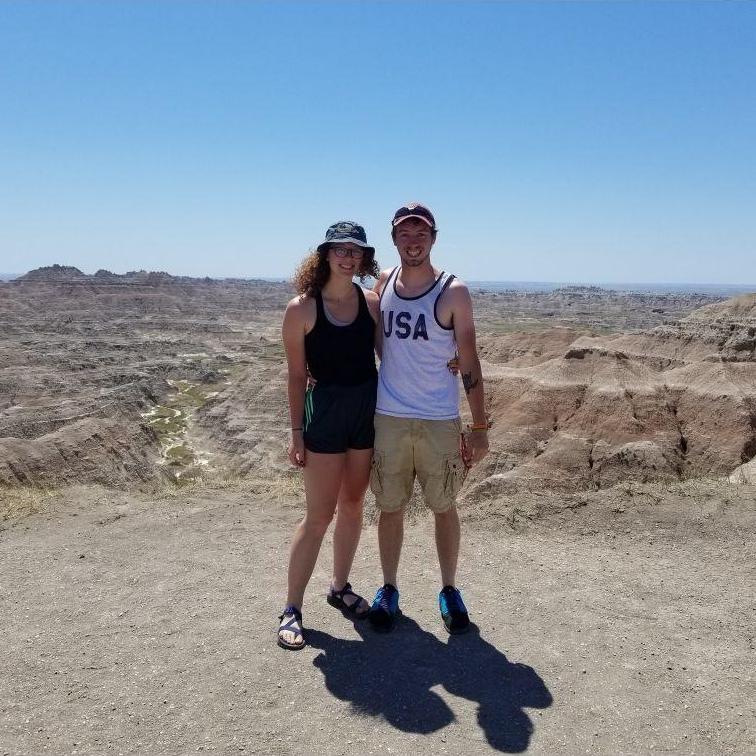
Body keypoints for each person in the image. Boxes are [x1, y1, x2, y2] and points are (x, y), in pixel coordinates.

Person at [368, 203, 489, 634]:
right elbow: (378, 342)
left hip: (439, 419)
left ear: (433, 239)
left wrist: (479, 427)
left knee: (444, 506)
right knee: (389, 507)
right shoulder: (384, 284)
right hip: (390, 417)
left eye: (421, 233)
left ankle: (449, 589)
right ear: (394, 239)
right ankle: (388, 588)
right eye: (405, 233)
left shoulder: (453, 292)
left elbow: (469, 359)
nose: (413, 241)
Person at [278, 221, 380, 650]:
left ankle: (339, 587)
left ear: (363, 258)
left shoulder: (371, 303)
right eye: (340, 249)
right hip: (324, 417)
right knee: (319, 515)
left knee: (353, 505)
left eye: (355, 251)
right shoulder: (301, 309)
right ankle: (292, 608)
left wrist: (446, 361)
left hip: (364, 414)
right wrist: (296, 433)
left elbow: (392, 358)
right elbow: (295, 376)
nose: (347, 257)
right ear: (325, 255)